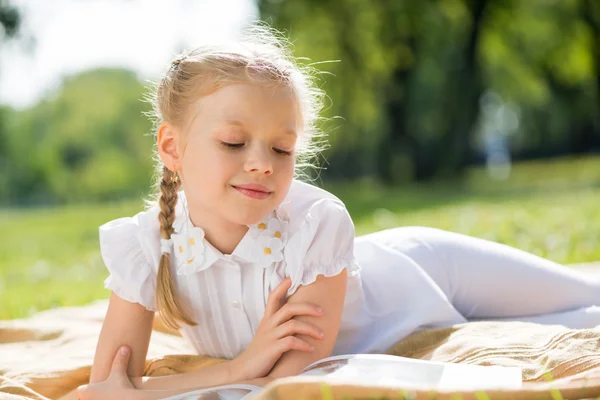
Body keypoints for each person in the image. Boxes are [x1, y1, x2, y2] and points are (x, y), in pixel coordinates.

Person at [77, 24, 600, 400]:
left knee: (588, 304)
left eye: (282, 150)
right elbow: (108, 386)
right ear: (172, 147)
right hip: (401, 281)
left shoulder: (315, 223)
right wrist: (237, 367)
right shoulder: (145, 245)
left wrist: (175, 385)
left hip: (425, 268)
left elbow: (284, 375)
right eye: (234, 142)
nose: (261, 164)